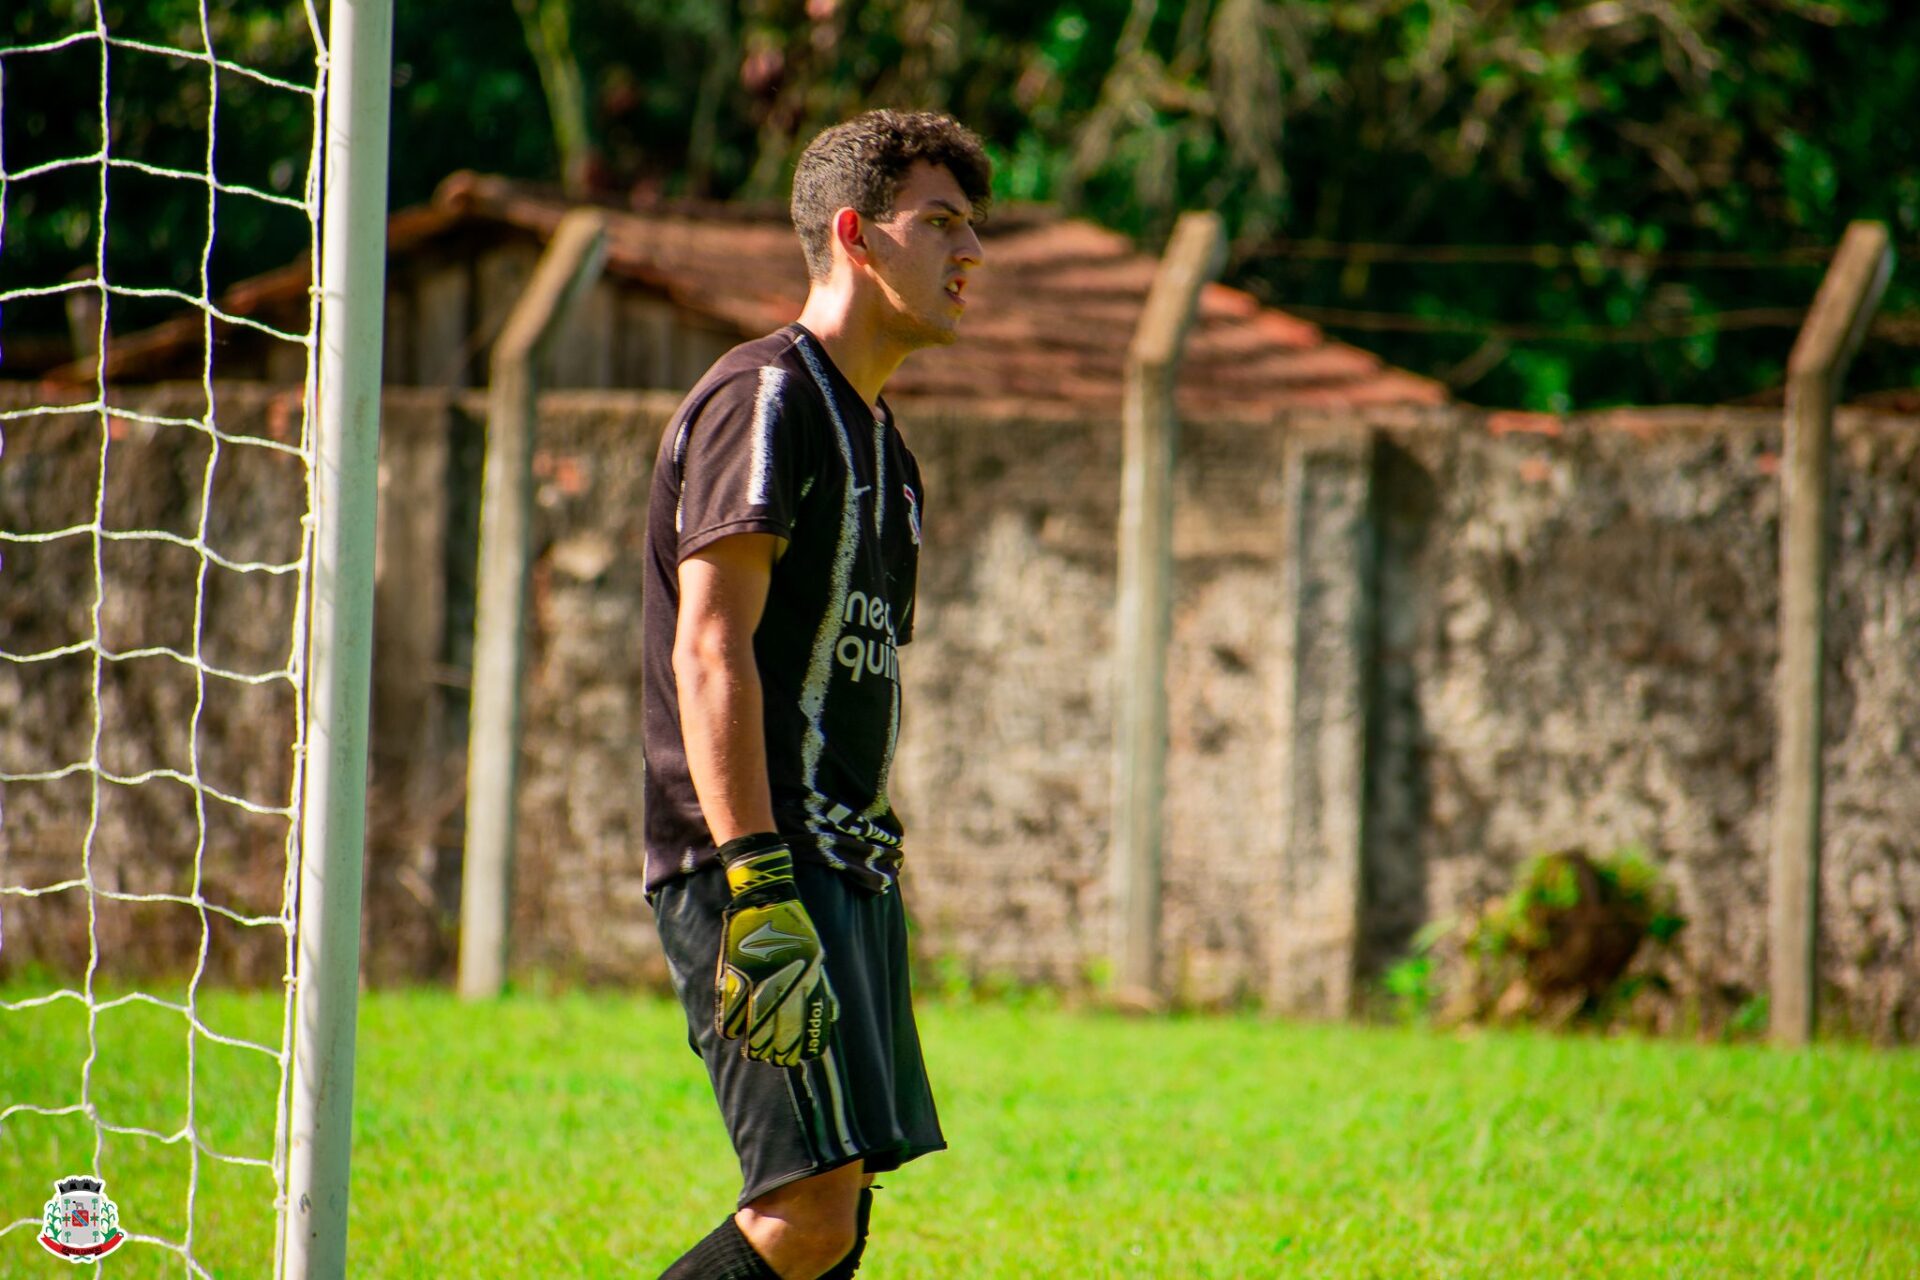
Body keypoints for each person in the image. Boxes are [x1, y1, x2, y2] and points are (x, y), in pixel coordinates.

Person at [642, 110, 990, 1280]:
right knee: (806, 1210)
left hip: (845, 857)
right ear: (855, 236)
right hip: (759, 861)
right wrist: (757, 877)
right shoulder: (768, 398)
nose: (969, 254)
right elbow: (708, 647)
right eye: (939, 222)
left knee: (840, 1199)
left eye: (971, 228)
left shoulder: (892, 455)